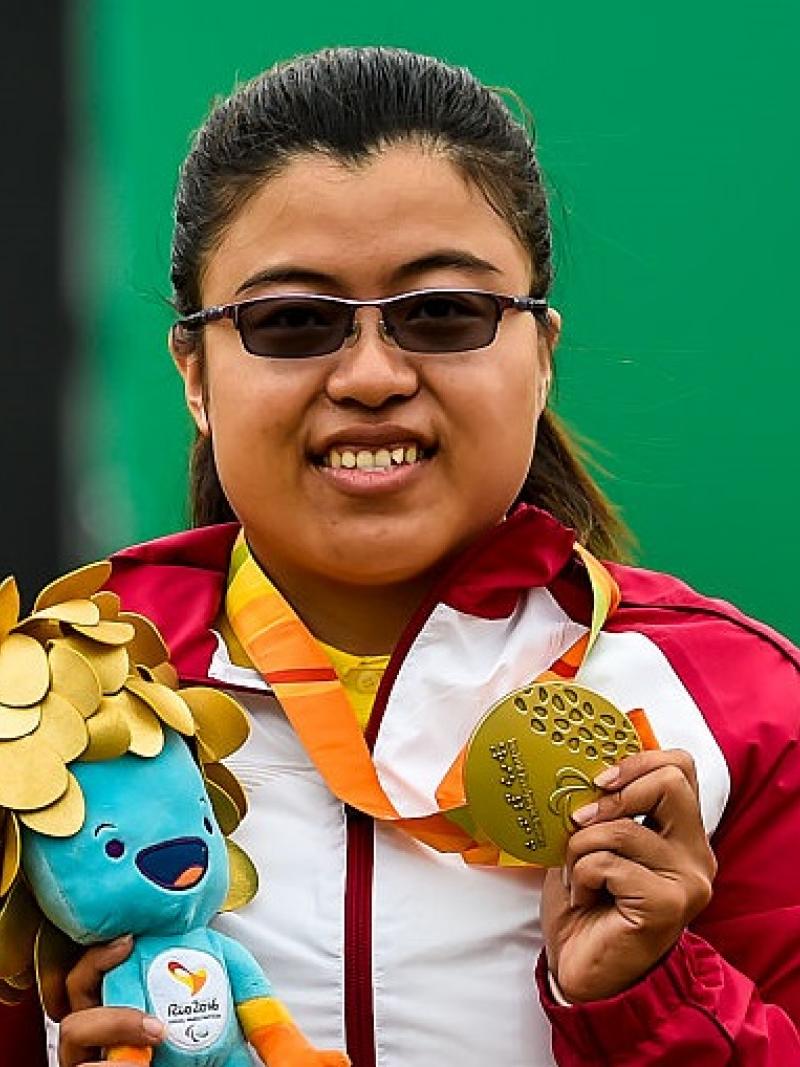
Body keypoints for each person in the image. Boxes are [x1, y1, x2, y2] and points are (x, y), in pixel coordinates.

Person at [4, 46, 800, 1067]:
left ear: (540, 352)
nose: (372, 375)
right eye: (289, 321)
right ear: (195, 374)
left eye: (442, 313)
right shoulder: (52, 702)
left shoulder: (739, 706)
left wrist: (650, 998)